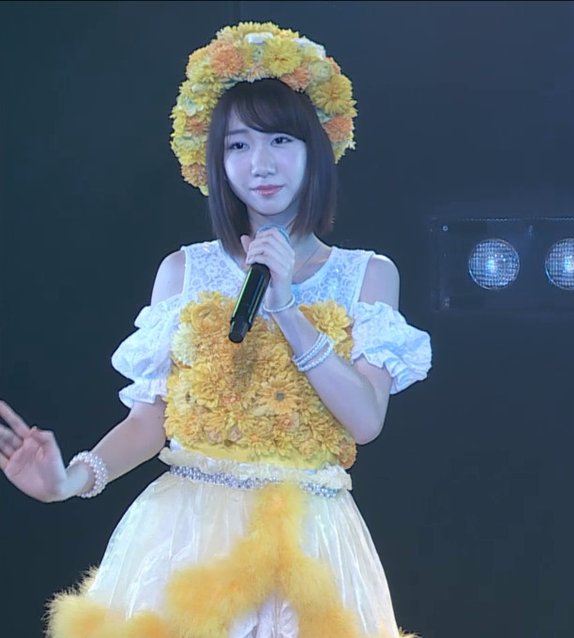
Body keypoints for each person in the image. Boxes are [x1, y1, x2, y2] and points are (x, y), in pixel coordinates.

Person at [0, 22, 431, 637]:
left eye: (280, 139)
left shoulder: (368, 275)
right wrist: (70, 480)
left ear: (315, 148)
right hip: (187, 535)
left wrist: (286, 306)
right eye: (237, 145)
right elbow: (150, 421)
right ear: (216, 161)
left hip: (310, 543)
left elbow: (365, 421)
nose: (261, 163)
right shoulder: (185, 270)